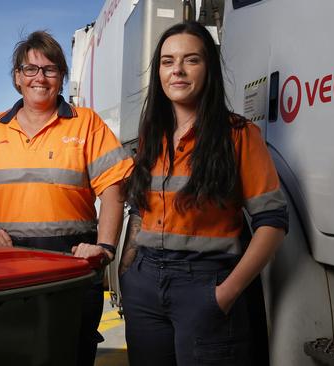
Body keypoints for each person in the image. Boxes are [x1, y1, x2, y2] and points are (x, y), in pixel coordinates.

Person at [0, 30, 133, 366]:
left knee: (69, 352)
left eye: (49, 69)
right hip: (6, 272)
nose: (39, 78)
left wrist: (104, 248)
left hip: (72, 270)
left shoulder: (86, 124)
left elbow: (114, 187)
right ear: (17, 77)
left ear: (61, 77)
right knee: (8, 353)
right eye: (30, 69)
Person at [121, 21, 288, 366]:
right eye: (167, 62)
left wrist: (225, 295)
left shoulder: (240, 135)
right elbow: (140, 211)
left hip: (204, 283)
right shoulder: (151, 138)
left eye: (191, 60)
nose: (177, 70)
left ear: (208, 67)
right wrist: (128, 272)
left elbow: (272, 223)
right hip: (145, 286)